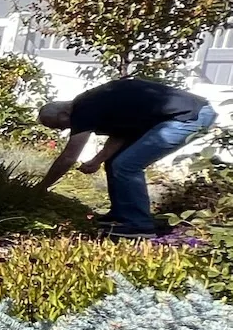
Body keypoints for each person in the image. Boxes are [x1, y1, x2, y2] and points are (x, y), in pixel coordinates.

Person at [35, 76, 218, 235]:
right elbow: (121, 133)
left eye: (57, 125)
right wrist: (98, 160)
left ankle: (138, 225)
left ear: (64, 113)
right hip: (189, 113)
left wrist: (40, 188)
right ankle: (121, 215)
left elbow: (69, 156)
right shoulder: (93, 103)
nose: (60, 130)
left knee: (126, 165)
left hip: (188, 117)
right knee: (115, 161)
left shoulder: (84, 109)